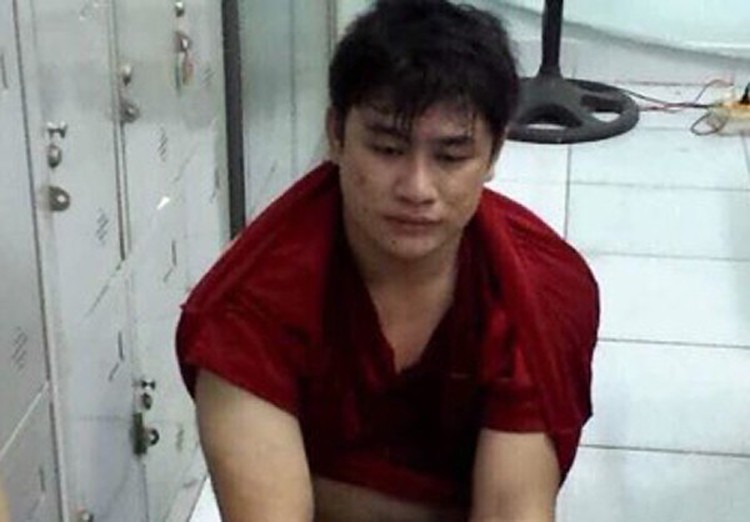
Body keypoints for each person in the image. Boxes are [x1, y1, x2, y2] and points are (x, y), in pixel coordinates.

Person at [176, 0, 599, 520]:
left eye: (450, 157)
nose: (416, 189)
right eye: (387, 149)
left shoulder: (538, 294)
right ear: (336, 136)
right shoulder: (249, 306)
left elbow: (511, 510)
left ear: (493, 155)